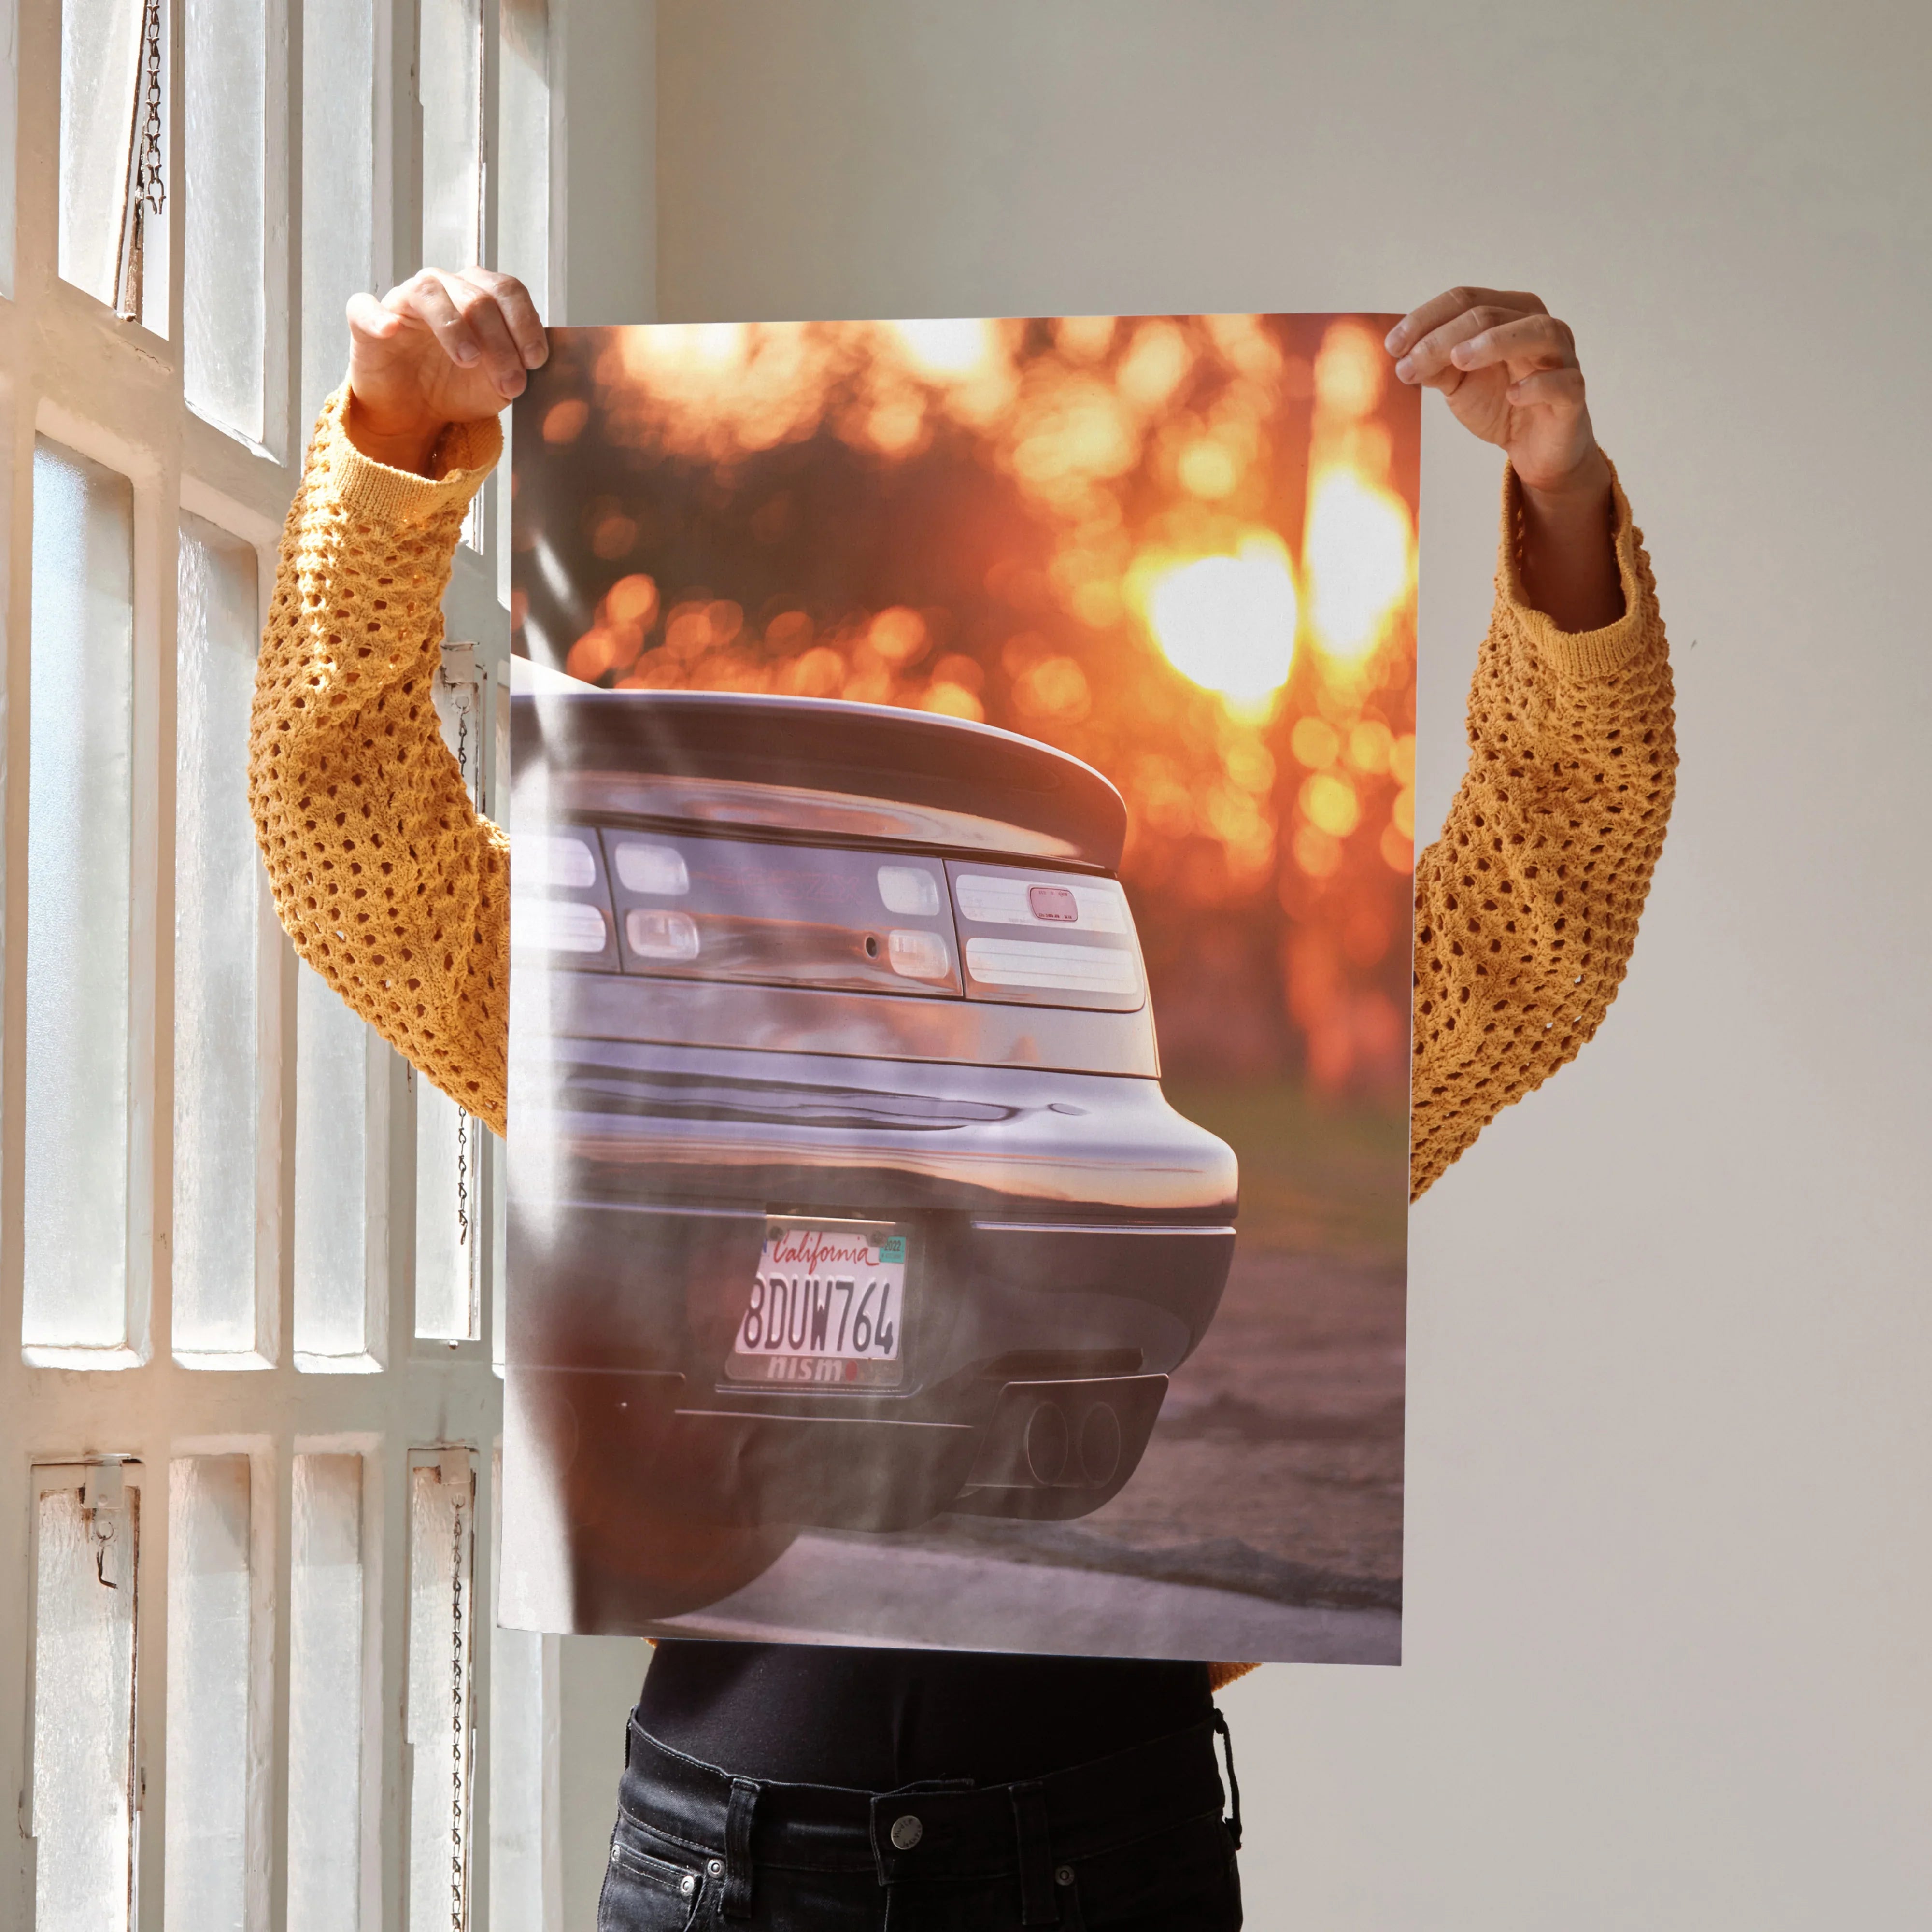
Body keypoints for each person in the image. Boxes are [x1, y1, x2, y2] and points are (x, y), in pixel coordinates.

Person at [250, 270, 1675, 1929]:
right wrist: (393, 443)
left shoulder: (1212, 1100)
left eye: (1001, 923)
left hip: (1102, 1856)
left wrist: (1560, 501)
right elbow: (348, 839)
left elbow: (1540, 913)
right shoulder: (612, 1040)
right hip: (729, 1866)